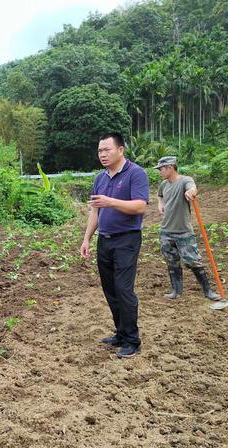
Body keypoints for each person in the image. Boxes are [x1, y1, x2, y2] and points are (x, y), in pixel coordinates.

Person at [80, 133, 149, 359]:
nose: (102, 154)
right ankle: (120, 333)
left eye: (107, 149)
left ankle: (132, 340)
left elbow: (140, 206)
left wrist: (111, 202)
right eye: (100, 150)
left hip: (127, 240)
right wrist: (87, 238)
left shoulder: (135, 174)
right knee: (110, 289)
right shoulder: (100, 178)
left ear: (120, 150)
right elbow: (95, 211)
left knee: (123, 289)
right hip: (105, 240)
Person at [155, 156, 220, 301]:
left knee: (193, 261)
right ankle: (176, 291)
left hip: (183, 231)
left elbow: (192, 187)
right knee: (172, 262)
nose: (160, 172)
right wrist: (160, 204)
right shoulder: (164, 184)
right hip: (166, 231)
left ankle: (208, 291)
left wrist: (191, 192)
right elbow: (159, 195)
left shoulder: (185, 180)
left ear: (170, 167)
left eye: (161, 169)